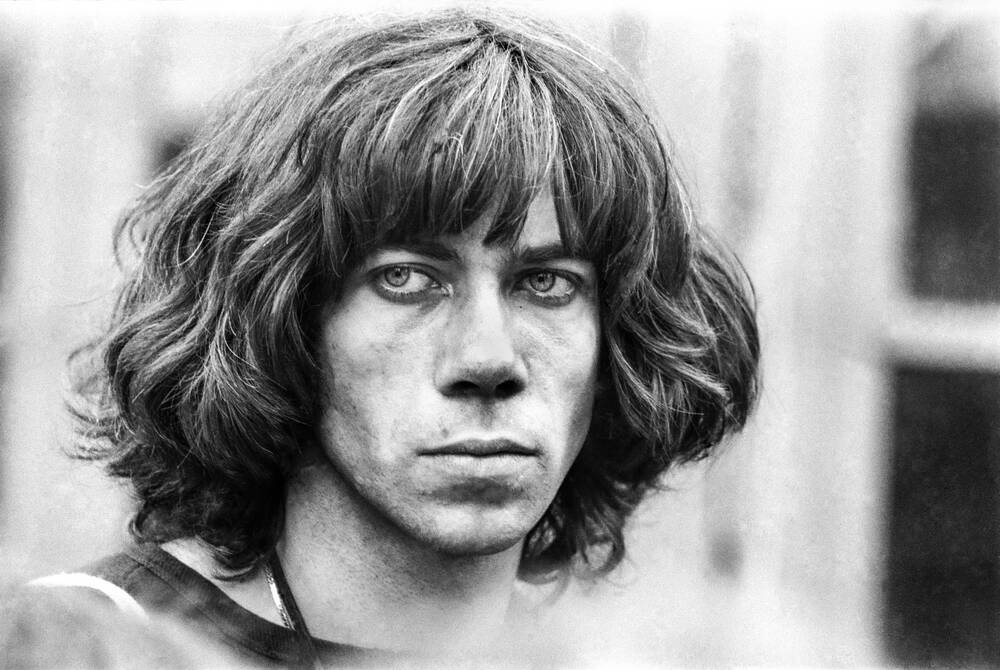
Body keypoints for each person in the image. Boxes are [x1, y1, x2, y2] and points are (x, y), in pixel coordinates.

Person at [50, 7, 758, 667]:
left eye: (546, 283)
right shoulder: (80, 649)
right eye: (407, 279)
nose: (488, 359)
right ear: (280, 322)